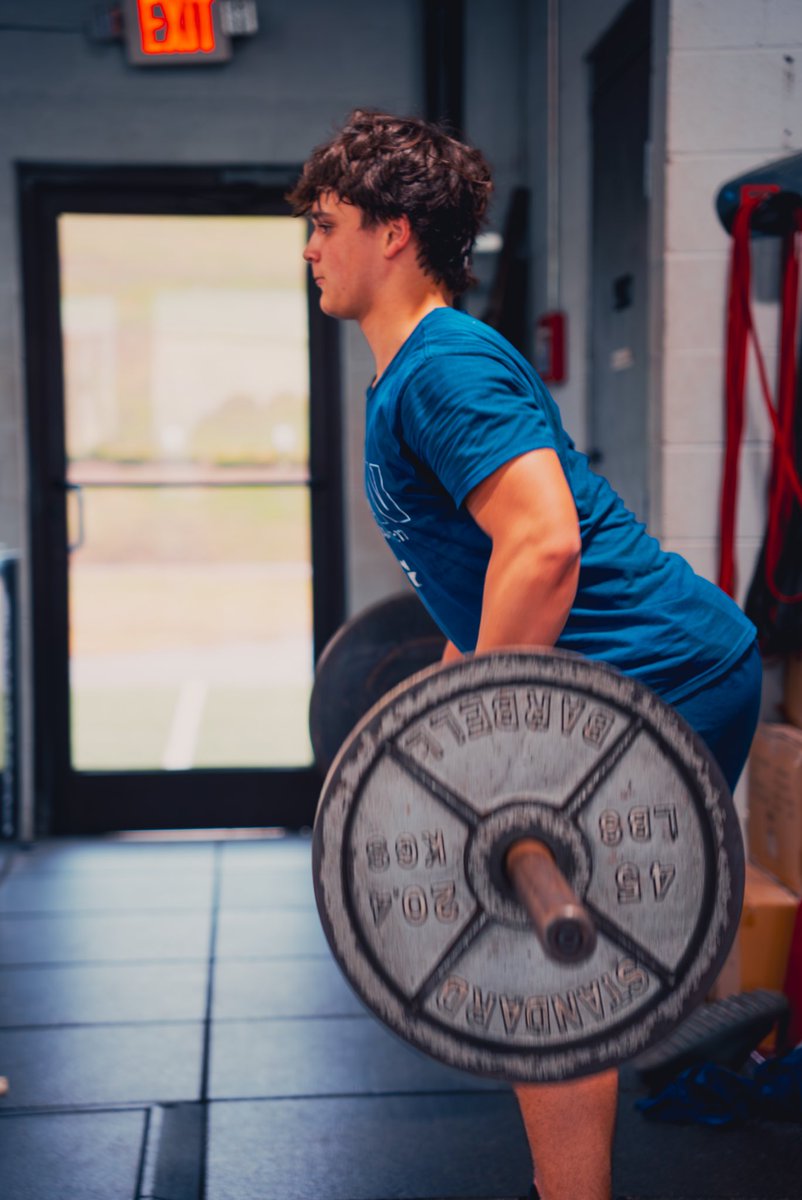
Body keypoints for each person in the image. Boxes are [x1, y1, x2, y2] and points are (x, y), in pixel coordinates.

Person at [288, 109, 762, 1200]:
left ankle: (621, 1085)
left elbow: (543, 543)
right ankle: (669, 1008)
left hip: (662, 675)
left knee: (538, 975)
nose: (312, 248)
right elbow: (483, 562)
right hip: (643, 675)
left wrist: (479, 739)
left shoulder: (442, 368)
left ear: (393, 231)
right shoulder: (419, 368)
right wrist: (448, 694)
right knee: (558, 956)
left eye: (326, 223)